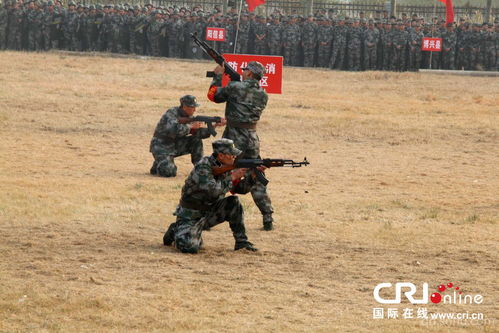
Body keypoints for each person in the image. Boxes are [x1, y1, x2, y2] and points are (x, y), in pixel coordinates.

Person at [206, 60, 275, 231]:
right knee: (254, 174)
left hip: (232, 138)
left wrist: (218, 76)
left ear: (250, 74)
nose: (243, 72)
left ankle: (208, 215)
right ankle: (267, 216)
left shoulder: (236, 87)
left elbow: (213, 96)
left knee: (218, 172)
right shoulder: (263, 94)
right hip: (252, 139)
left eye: (245, 71)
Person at [163, 138, 258, 253]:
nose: (234, 157)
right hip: (191, 215)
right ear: (221, 156)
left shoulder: (227, 167)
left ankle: (242, 242)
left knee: (233, 202)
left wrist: (253, 176)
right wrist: (232, 177)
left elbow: (241, 189)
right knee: (189, 247)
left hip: (210, 212)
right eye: (231, 155)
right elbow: (213, 191)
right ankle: (175, 229)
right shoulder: (203, 167)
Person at [149, 94, 224, 177]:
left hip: (175, 145)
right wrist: (191, 126)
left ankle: (200, 167)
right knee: (169, 172)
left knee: (196, 140)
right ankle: (160, 163)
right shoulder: (171, 113)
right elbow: (173, 129)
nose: (195, 110)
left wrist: (214, 126)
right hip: (161, 146)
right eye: (193, 107)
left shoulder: (189, 117)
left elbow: (199, 134)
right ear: (184, 107)